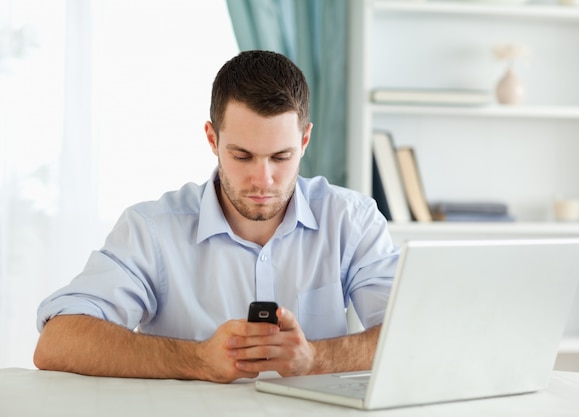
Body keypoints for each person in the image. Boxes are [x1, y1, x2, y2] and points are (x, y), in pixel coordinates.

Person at [34, 50, 399, 383]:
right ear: (212, 139)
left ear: (304, 141)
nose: (263, 179)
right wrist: (197, 360)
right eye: (242, 156)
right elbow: (58, 341)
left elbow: (415, 334)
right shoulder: (153, 230)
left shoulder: (353, 220)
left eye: (281, 157)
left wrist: (314, 357)